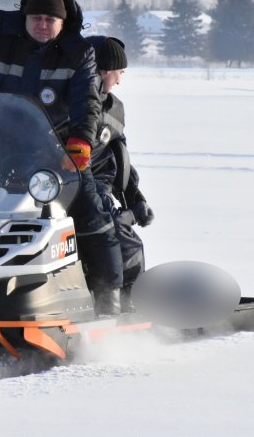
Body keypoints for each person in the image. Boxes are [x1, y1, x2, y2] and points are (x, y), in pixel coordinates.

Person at [0, 0, 124, 316]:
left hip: (60, 153)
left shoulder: (79, 53)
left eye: (50, 19)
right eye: (36, 18)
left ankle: (108, 296)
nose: (42, 25)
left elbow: (87, 103)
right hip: (5, 150)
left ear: (63, 23)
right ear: (25, 18)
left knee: (91, 214)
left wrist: (79, 143)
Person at [85, 35, 155, 313]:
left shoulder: (114, 110)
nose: (120, 81)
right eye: (119, 73)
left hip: (96, 192)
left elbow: (118, 160)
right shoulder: (64, 104)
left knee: (123, 237)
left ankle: (125, 304)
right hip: (52, 188)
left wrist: (135, 197)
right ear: (103, 71)